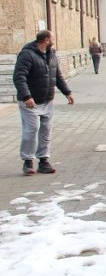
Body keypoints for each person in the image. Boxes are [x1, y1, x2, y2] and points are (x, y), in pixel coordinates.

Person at [13, 30, 74, 176]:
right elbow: (19, 77)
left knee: (46, 130)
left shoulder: (51, 54)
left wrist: (67, 92)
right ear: (46, 40)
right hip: (30, 101)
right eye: (53, 37)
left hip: (47, 100)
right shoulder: (27, 54)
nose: (54, 39)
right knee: (32, 129)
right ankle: (28, 162)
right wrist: (26, 96)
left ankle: (44, 161)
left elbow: (57, 76)